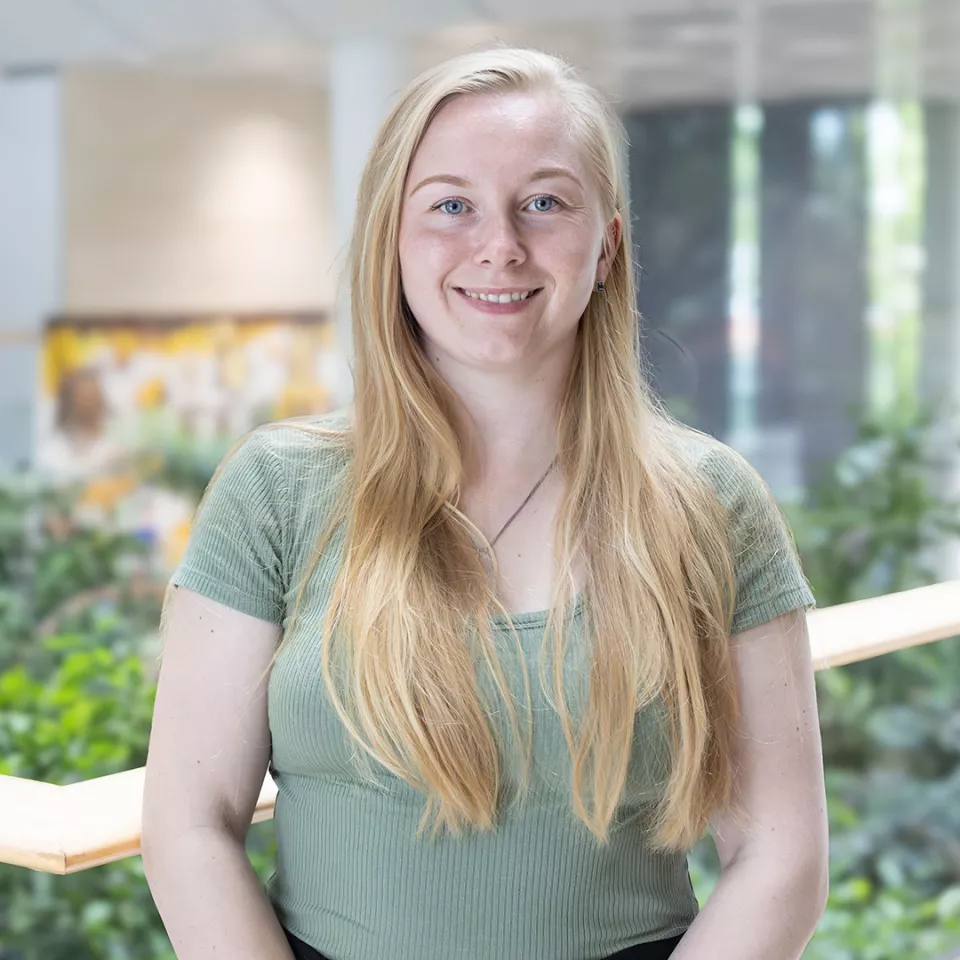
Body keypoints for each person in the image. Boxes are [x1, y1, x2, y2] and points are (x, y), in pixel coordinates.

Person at [141, 46, 829, 960]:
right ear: (393, 235)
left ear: (608, 245)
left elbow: (781, 852)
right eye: (450, 205)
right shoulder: (275, 490)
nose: (498, 244)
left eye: (543, 202)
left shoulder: (712, 505)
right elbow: (190, 825)